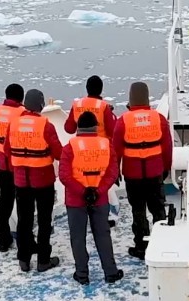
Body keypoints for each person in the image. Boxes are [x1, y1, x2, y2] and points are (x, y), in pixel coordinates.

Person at [61, 111, 124, 285]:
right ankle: (111, 272)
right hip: (100, 198)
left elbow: (65, 176)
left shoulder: (69, 147)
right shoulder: (106, 145)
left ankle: (82, 274)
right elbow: (112, 173)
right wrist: (98, 191)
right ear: (96, 127)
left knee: (78, 237)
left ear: (78, 128)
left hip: (76, 200)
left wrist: (83, 192)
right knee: (103, 235)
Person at [112, 81, 173, 258]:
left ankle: (141, 246)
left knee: (138, 211)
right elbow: (167, 148)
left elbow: (116, 151)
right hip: (155, 173)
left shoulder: (123, 121)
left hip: (133, 175)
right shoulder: (159, 119)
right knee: (158, 209)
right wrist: (166, 167)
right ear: (147, 98)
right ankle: (162, 244)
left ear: (130, 98)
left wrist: (116, 171)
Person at [8, 89, 63, 273]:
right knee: (44, 220)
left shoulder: (13, 124)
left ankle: (24, 260)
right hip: (43, 180)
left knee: (24, 220)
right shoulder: (45, 125)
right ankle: (43, 261)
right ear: (40, 105)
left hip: (21, 180)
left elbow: (7, 150)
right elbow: (58, 152)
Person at [64, 75, 120, 226]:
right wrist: (111, 115)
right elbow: (113, 131)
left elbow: (69, 128)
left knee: (82, 181)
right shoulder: (103, 106)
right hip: (101, 151)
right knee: (102, 183)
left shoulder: (77, 105)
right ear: (101, 89)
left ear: (87, 88)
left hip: (80, 150)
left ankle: (82, 214)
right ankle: (106, 216)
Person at [0, 84, 26, 253]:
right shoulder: (22, 114)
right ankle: (25, 238)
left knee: (4, 201)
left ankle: (4, 240)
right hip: (19, 165)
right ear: (21, 98)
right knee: (23, 203)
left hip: (3, 164)